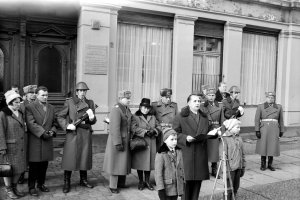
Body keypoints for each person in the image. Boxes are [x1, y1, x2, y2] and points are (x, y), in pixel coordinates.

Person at [172, 92, 218, 200]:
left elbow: (209, 129)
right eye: (195, 101)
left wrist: (214, 131)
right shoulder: (180, 116)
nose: (197, 103)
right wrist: (185, 138)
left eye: (199, 101)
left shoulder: (204, 116)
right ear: (188, 103)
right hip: (186, 154)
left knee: (197, 184)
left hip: (200, 154)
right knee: (186, 184)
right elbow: (174, 134)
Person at [57, 82, 97, 193]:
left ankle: (83, 180)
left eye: (84, 91)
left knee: (84, 157)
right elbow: (60, 116)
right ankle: (67, 182)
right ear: (76, 92)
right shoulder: (69, 102)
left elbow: (93, 121)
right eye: (80, 91)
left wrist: (92, 117)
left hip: (85, 133)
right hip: (73, 133)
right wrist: (67, 125)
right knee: (70, 158)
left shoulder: (90, 103)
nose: (83, 93)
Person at [25, 86, 57, 196]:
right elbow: (31, 123)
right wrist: (43, 133)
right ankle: (31, 186)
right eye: (43, 95)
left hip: (47, 140)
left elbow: (55, 122)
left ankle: (41, 184)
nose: (45, 97)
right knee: (34, 166)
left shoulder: (51, 107)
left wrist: (52, 131)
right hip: (36, 139)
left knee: (44, 165)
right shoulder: (30, 107)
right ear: (37, 95)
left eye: (46, 95)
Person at [103, 90, 134, 194]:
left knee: (122, 163)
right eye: (127, 98)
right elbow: (114, 128)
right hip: (118, 140)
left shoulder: (126, 109)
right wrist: (117, 143)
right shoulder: (116, 110)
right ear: (120, 99)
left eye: (129, 98)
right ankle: (113, 186)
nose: (129, 100)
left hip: (125, 139)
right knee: (115, 164)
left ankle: (121, 183)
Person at [0, 90, 26, 199]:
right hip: (9, 147)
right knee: (7, 169)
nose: (19, 104)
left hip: (20, 146)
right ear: (10, 102)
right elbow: (0, 131)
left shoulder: (20, 112)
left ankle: (14, 188)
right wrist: (2, 147)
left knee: (18, 169)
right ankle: (9, 189)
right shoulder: (3, 113)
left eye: (19, 102)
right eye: (16, 102)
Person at [131, 98, 161, 191]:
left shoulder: (153, 116)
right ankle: (140, 181)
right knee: (140, 162)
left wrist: (155, 131)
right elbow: (134, 128)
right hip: (141, 142)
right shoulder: (135, 116)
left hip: (151, 142)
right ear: (140, 107)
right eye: (144, 107)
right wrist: (145, 132)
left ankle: (147, 181)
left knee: (149, 163)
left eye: (148, 108)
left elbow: (158, 126)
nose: (146, 109)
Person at [255, 92, 285, 171]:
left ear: (274, 98)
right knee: (263, 146)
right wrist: (257, 130)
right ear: (266, 98)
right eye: (269, 97)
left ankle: (270, 164)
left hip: (274, 129)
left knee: (272, 146)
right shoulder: (260, 107)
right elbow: (257, 119)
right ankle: (263, 164)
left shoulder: (279, 107)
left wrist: (282, 130)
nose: (270, 99)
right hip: (264, 128)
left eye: (272, 97)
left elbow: (281, 120)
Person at [155, 128, 184, 200]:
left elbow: (181, 169)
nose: (174, 142)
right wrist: (161, 190)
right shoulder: (161, 154)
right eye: (172, 139)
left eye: (176, 139)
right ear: (165, 140)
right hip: (167, 189)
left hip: (176, 187)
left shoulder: (179, 151)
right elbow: (158, 174)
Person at [220, 119, 246, 200]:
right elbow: (223, 156)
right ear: (230, 128)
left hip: (238, 166)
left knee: (236, 186)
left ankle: (233, 197)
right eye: (237, 127)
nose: (239, 129)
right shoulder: (225, 139)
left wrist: (243, 166)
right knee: (228, 188)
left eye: (239, 127)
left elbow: (242, 153)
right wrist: (225, 171)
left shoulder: (239, 138)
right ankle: (226, 198)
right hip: (230, 168)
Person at [203, 87, 225, 177]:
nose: (211, 97)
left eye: (213, 95)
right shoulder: (202, 106)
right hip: (206, 129)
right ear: (206, 96)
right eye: (209, 95)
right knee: (205, 150)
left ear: (215, 96)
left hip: (215, 129)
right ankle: (204, 170)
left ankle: (214, 169)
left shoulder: (219, 105)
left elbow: (222, 120)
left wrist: (222, 132)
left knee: (214, 151)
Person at [18, 84, 37, 184]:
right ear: (26, 94)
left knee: (33, 153)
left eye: (34, 93)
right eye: (31, 93)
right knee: (24, 153)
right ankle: (21, 174)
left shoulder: (37, 104)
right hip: (24, 133)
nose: (33, 95)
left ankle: (35, 175)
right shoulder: (21, 105)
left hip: (35, 133)